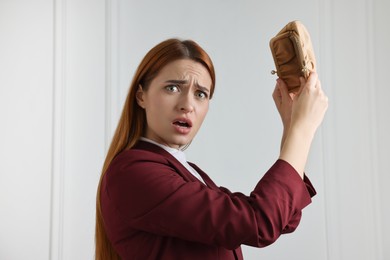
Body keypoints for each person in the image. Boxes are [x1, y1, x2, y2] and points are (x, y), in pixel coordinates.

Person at [95, 38, 328, 260]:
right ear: (141, 96)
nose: (187, 105)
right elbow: (260, 222)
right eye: (173, 88)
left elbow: (283, 218)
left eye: (200, 94)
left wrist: (291, 126)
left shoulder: (186, 172)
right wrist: (302, 129)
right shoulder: (133, 173)